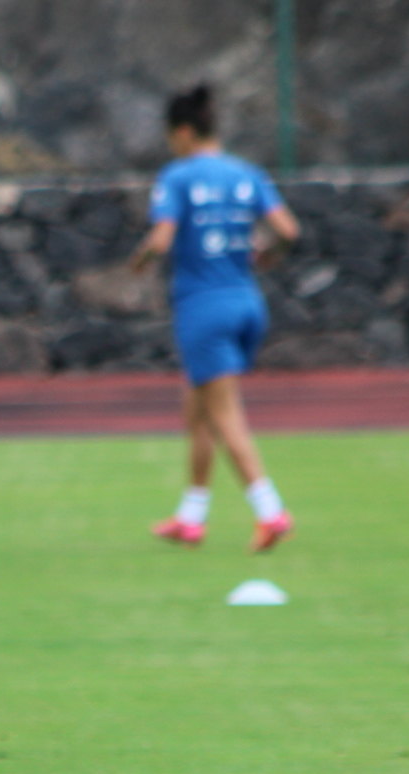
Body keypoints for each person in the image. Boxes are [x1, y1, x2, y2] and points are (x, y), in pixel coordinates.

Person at [129, 83, 302, 552]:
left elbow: (162, 240)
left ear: (184, 132)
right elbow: (288, 230)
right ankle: (192, 517)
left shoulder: (178, 176)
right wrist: (265, 253)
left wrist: (138, 261)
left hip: (203, 308)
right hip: (248, 303)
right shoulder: (247, 173)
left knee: (224, 415)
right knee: (198, 407)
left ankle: (271, 512)